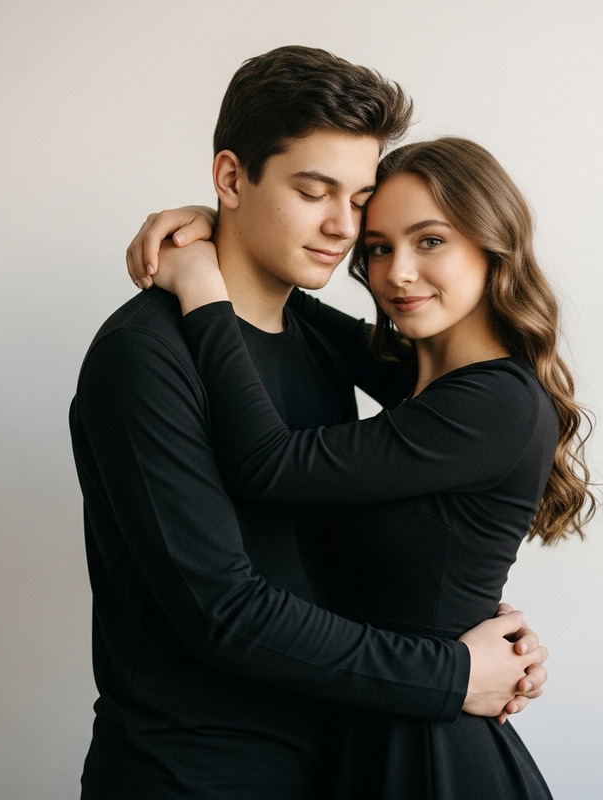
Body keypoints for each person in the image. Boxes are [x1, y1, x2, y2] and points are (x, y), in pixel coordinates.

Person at [71, 47, 548, 800]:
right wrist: (450, 672)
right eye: (312, 191)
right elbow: (224, 612)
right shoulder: (145, 356)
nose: (342, 228)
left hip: (338, 756)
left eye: (359, 200)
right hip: (196, 777)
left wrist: (471, 620)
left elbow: (351, 528)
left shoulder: (320, 343)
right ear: (233, 177)